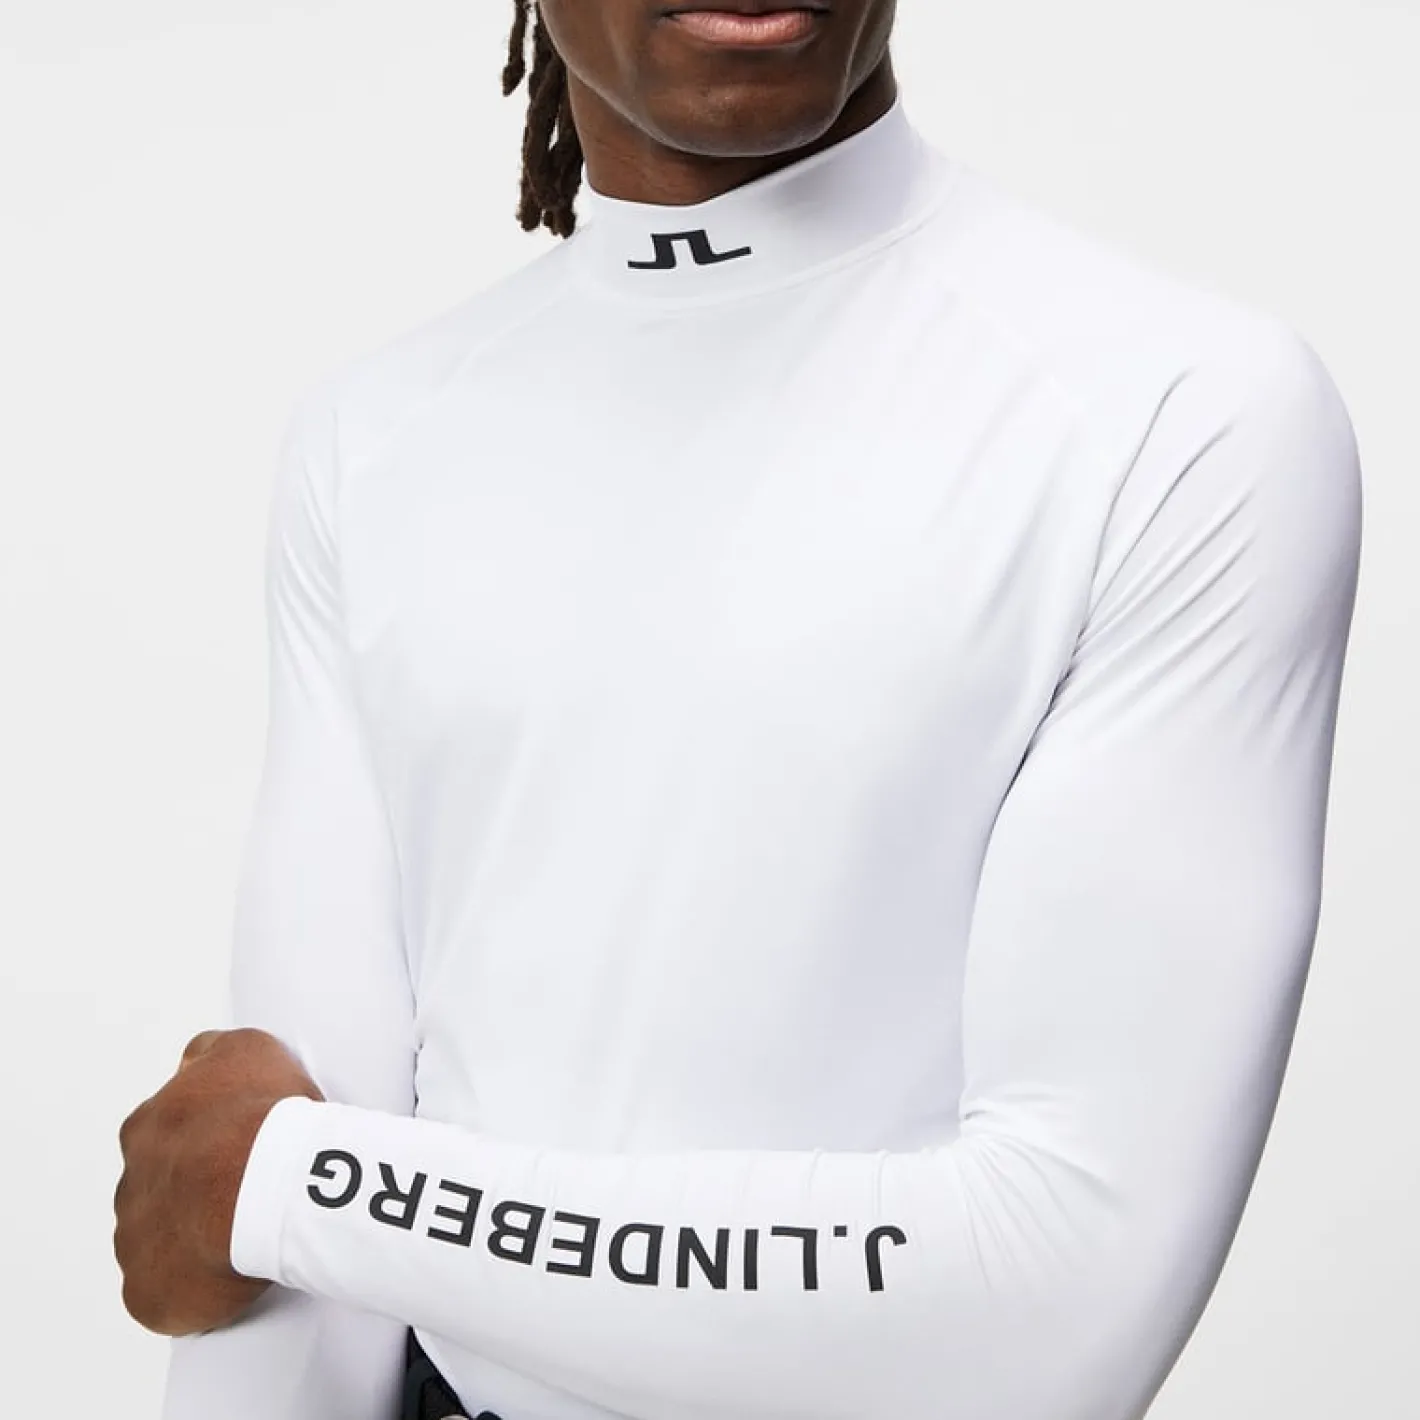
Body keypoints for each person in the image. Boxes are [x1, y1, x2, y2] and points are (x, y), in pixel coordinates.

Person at [112, 2, 1365, 1418]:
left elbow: (1057, 1313)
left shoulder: (1182, 416)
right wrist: (284, 1195)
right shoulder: (372, 440)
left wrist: (302, 1191)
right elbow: (278, 1291)